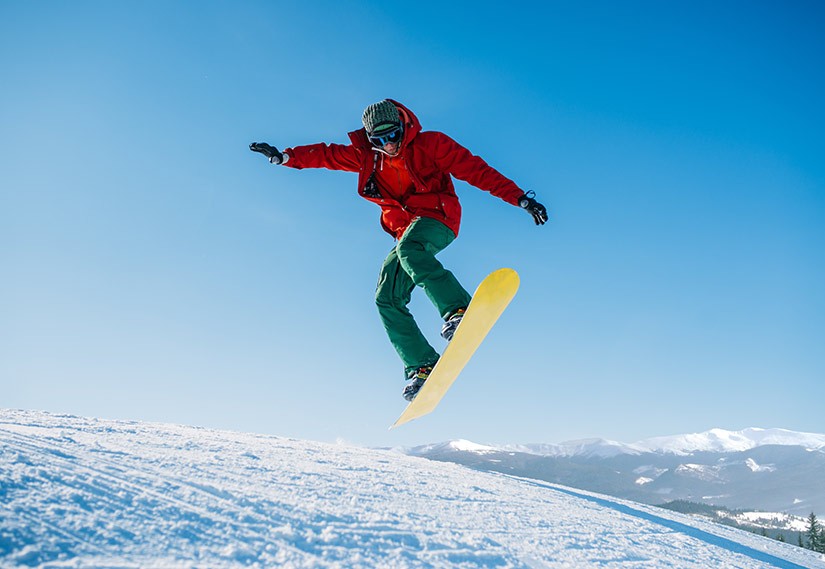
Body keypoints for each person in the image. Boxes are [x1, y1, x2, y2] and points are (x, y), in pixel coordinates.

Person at [250, 99, 547, 401]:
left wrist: (520, 198)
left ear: (403, 127)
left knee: (409, 248)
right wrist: (285, 157)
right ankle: (421, 365)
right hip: (406, 231)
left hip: (439, 217)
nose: (389, 145)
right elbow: (327, 155)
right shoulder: (366, 157)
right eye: (379, 140)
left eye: (393, 136)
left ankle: (458, 308)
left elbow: (477, 171)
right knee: (386, 297)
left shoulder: (431, 144)